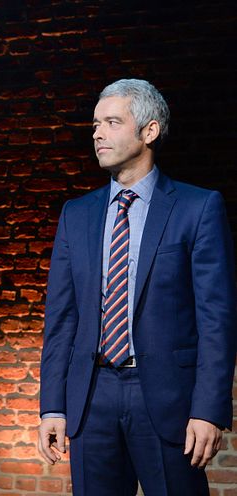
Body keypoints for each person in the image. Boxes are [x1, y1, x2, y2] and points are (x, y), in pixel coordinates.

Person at [37, 79, 237, 495]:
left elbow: (216, 319)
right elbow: (62, 318)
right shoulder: (77, 214)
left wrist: (209, 410)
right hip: (92, 399)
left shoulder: (197, 208)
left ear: (149, 131)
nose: (97, 133)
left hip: (167, 398)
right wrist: (53, 406)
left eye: (112, 122)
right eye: (95, 123)